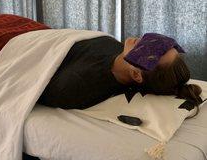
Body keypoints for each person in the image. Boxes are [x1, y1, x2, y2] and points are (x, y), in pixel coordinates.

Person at [38, 34, 202, 109]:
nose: (148, 41)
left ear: (136, 74)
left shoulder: (77, 84)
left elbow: (33, 82)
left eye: (152, 52)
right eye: (164, 45)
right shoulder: (120, 49)